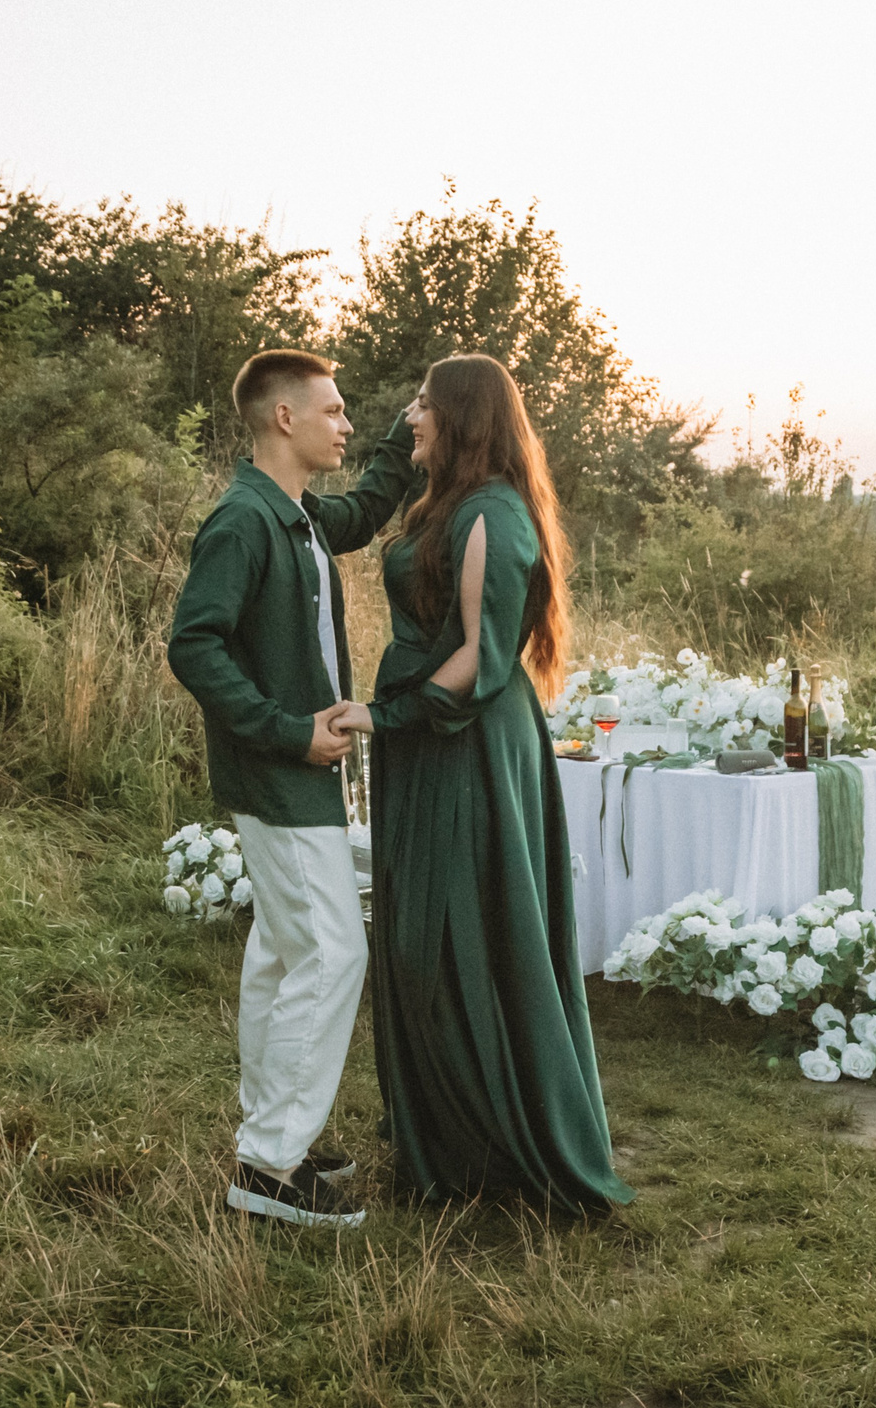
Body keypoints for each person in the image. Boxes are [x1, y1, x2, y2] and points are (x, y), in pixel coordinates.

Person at [331, 354, 632, 1211]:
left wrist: (384, 715)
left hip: (464, 744)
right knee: (420, 936)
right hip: (428, 742)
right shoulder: (450, 503)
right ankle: (445, 1138)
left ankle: (494, 1147)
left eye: (425, 404)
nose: (410, 416)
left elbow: (479, 655)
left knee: (456, 935)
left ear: (462, 417)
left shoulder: (494, 515)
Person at [168, 349, 420, 1228]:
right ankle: (270, 1169)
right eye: (334, 410)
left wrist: (404, 438)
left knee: (281, 952)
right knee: (332, 952)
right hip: (280, 772)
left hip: (294, 771)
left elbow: (361, 513)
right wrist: (286, 730)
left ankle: (272, 1133)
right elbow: (194, 646)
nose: (345, 424)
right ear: (285, 417)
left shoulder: (297, 514)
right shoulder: (242, 522)